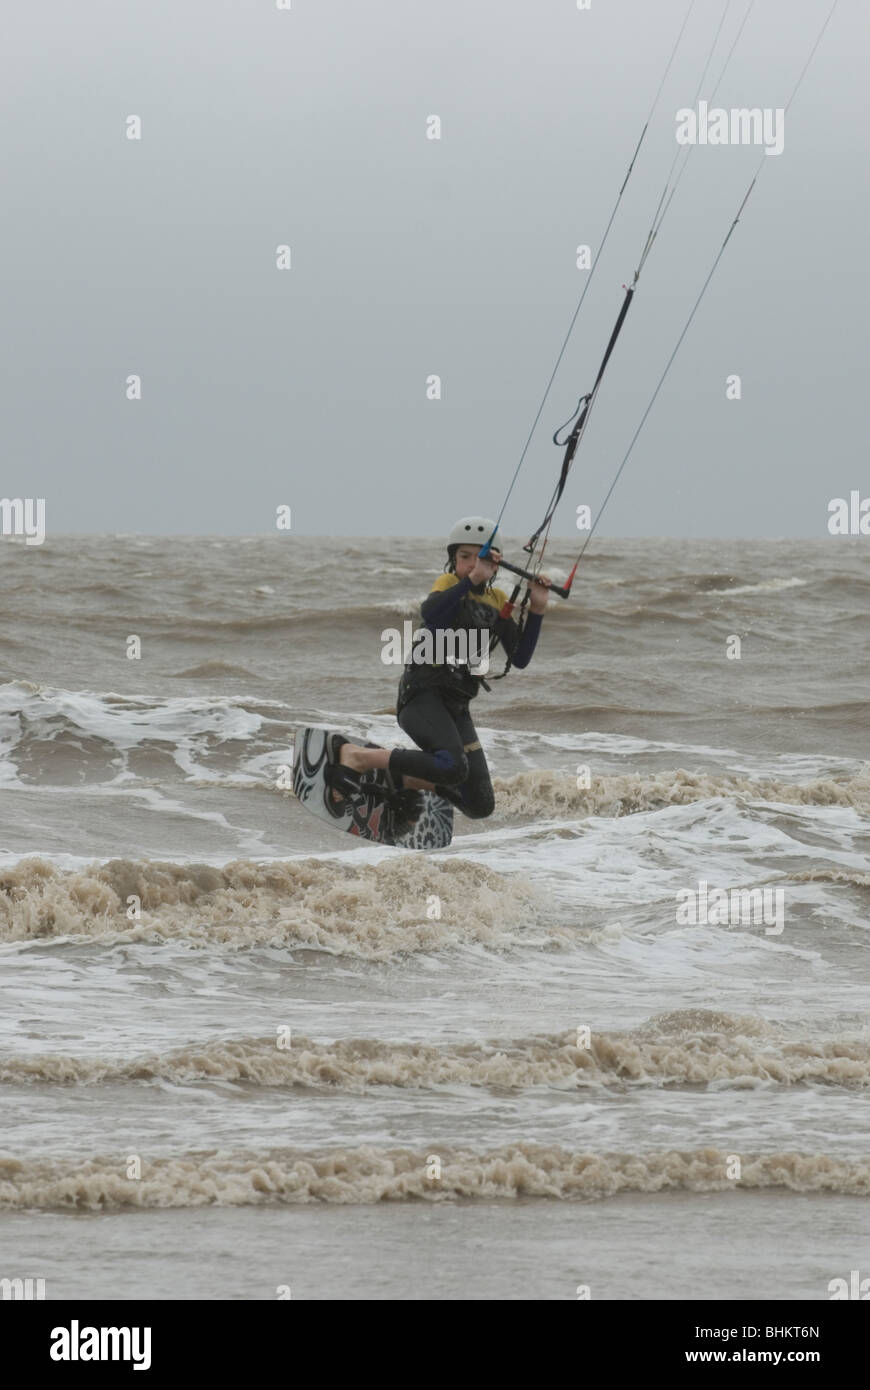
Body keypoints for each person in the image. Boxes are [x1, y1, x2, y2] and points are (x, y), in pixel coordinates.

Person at [327, 516, 550, 823]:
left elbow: (520, 657)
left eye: (481, 559)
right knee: (453, 767)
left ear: (497, 565)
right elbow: (431, 613)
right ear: (453, 559)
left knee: (479, 804)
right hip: (422, 695)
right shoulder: (449, 585)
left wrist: (537, 608)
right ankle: (357, 757)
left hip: (457, 706)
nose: (472, 565)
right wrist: (472, 579)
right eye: (465, 557)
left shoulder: (498, 600)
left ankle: (404, 779)